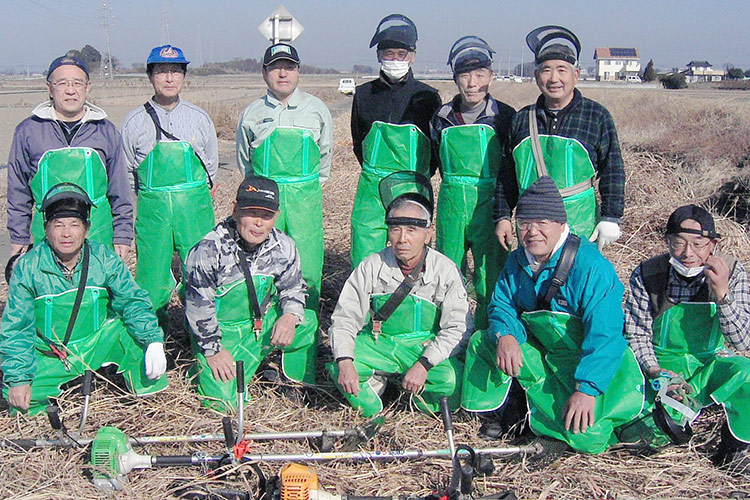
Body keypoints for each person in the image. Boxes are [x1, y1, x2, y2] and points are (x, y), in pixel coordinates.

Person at [461, 176, 643, 454]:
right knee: (482, 342)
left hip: (587, 364)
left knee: (588, 440)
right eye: (524, 223)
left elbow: (606, 336)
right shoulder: (517, 260)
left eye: (542, 223)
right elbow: (502, 305)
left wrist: (587, 389)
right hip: (546, 356)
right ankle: (497, 415)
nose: (532, 232)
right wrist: (505, 333)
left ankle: (553, 419)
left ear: (561, 225)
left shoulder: (592, 267)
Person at [0, 183, 167, 415]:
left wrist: (153, 341)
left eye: (74, 225)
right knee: (20, 403)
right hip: (51, 353)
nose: (66, 233)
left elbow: (132, 301)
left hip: (95, 342)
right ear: (46, 230)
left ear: (87, 229)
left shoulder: (103, 258)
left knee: (135, 335)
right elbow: (16, 327)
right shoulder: (28, 267)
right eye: (58, 225)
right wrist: (18, 378)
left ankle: (149, 405)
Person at [327, 171, 471, 417]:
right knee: (340, 366)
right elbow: (345, 319)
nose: (403, 238)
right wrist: (344, 361)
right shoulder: (370, 266)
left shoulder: (445, 270)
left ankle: (417, 402)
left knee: (451, 379)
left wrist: (424, 363)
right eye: (395, 229)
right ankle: (376, 403)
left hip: (423, 347)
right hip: (380, 344)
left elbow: (458, 329)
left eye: (412, 230)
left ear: (429, 233)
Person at [624, 205, 750, 471]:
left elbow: (743, 342)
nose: (688, 253)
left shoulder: (733, 272)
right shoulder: (648, 274)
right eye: (678, 243)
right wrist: (655, 371)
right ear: (667, 242)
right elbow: (637, 333)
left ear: (713, 244)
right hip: (663, 367)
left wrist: (722, 294)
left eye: (698, 244)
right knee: (643, 435)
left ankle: (735, 449)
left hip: (710, 364)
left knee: (745, 372)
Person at [185, 175, 317, 411]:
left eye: (266, 215)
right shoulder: (209, 250)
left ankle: (291, 380)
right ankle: (202, 366)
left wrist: (289, 317)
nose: (259, 222)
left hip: (259, 325)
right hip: (222, 335)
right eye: (251, 212)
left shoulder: (284, 246)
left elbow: (293, 287)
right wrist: (213, 350)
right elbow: (198, 306)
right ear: (235, 210)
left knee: (307, 323)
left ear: (276, 217)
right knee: (223, 406)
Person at [494, 26, 625, 251]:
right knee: (533, 279)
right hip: (532, 225)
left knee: (578, 281)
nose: (554, 78)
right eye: (546, 70)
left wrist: (611, 217)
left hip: (580, 223)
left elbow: (613, 170)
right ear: (536, 76)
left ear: (575, 75)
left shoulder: (596, 116)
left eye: (562, 70)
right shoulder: (522, 119)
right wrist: (502, 215)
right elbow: (507, 175)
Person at [120, 45, 217, 320]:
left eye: (176, 71)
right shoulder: (134, 122)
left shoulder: (199, 119)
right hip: (153, 214)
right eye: (162, 71)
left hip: (195, 211)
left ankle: (204, 347)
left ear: (184, 76)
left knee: (201, 277)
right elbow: (127, 175)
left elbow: (211, 167)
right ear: (151, 76)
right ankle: (152, 350)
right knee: (151, 280)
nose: (170, 78)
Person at [7, 53, 132, 260]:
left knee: (96, 290)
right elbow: (18, 189)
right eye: (62, 83)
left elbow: (120, 189)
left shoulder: (105, 131)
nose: (71, 90)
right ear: (49, 88)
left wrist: (123, 235)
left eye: (77, 83)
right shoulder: (29, 131)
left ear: (87, 87)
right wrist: (19, 236)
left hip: (98, 233)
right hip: (47, 234)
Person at [236, 43, 332, 312]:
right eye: (275, 67)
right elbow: (245, 161)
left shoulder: (317, 109)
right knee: (264, 264)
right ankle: (263, 332)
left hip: (305, 201)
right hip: (265, 201)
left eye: (289, 67)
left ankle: (304, 332)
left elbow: (325, 156)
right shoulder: (252, 114)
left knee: (308, 267)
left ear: (298, 71)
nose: (282, 73)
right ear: (264, 72)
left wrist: (305, 187)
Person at [430, 36, 515, 329]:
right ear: (455, 79)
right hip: (452, 205)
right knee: (445, 272)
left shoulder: (505, 116)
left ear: (490, 77)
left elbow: (511, 166)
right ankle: (450, 335)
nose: (472, 83)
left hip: (490, 205)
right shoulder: (441, 117)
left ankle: (487, 337)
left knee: (490, 275)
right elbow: (435, 161)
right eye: (465, 75)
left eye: (479, 75)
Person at [349, 14, 442, 267]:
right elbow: (359, 144)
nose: (394, 60)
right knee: (364, 256)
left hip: (412, 187)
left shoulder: (428, 97)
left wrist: (417, 175)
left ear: (413, 55)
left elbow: (435, 150)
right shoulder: (364, 95)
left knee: (410, 260)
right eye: (388, 53)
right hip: (371, 191)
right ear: (378, 55)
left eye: (401, 54)